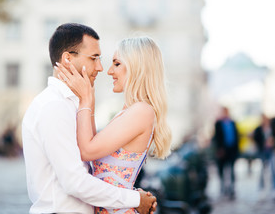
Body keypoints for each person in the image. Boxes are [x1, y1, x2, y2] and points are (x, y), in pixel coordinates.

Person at [22, 23, 157, 214]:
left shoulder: (72, 105)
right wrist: (134, 199)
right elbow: (75, 181)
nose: (101, 68)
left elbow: (93, 167)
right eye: (94, 58)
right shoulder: (54, 106)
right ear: (67, 59)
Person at [54, 36, 172, 213]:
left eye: (116, 64)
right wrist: (89, 100)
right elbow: (93, 144)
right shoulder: (130, 111)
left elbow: (86, 151)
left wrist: (86, 99)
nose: (109, 71)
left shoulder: (141, 111)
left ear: (136, 67)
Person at [212, 106, 239, 199]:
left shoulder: (232, 122)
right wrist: (219, 149)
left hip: (231, 150)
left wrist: (237, 150)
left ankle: (231, 188)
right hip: (222, 150)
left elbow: (236, 136)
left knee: (231, 170)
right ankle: (223, 187)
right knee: (222, 170)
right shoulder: (218, 123)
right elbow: (216, 138)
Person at [252, 114, 275, 191]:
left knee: (274, 170)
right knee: (261, 171)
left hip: (271, 150)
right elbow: (255, 139)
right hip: (262, 151)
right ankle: (262, 188)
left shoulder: (272, 128)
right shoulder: (258, 129)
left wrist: (274, 142)